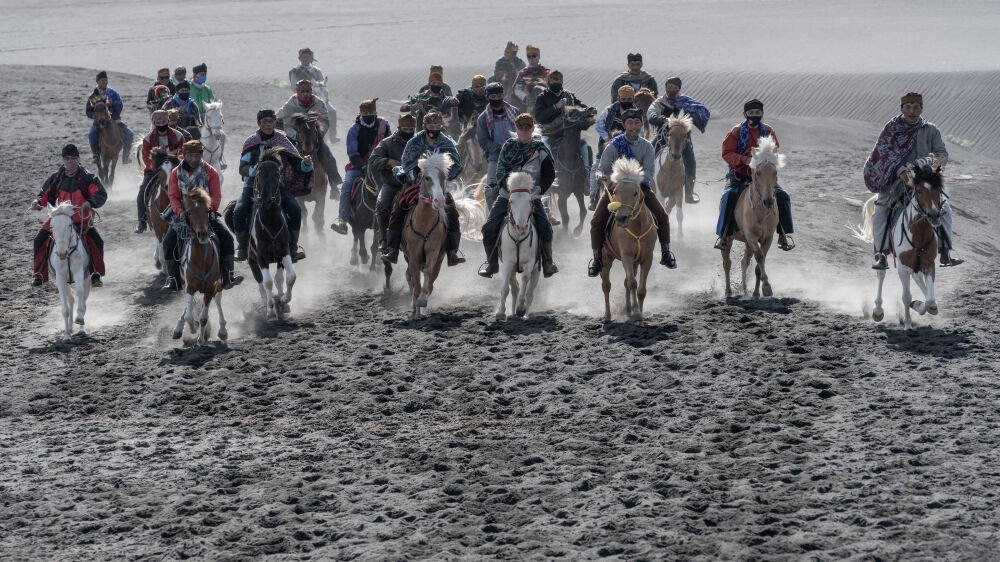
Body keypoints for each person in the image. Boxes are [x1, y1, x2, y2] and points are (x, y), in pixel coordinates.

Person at [864, 92, 960, 268]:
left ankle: (945, 253)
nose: (912, 111)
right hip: (897, 181)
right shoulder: (891, 129)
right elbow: (884, 155)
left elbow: (941, 153)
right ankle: (881, 254)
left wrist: (932, 167)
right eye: (908, 107)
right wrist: (900, 171)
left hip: (923, 180)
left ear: (922, 109)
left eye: (916, 107)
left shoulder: (930, 129)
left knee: (944, 209)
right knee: (880, 210)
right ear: (901, 109)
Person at [588, 109, 676, 276]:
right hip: (617, 189)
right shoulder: (614, 145)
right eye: (630, 123)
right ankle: (597, 258)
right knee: (596, 220)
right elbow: (602, 168)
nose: (634, 126)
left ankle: (666, 252)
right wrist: (600, 175)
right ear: (624, 125)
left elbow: (649, 173)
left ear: (642, 124)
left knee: (662, 216)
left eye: (637, 123)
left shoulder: (647, 146)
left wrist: (631, 180)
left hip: (640, 188)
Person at [478, 113, 558, 278]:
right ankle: (491, 263)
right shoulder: (508, 146)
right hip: (508, 195)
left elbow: (549, 175)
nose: (524, 130)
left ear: (532, 128)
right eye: (520, 127)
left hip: (532, 197)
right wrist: (509, 187)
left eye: (527, 127)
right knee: (489, 227)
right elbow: (500, 171)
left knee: (545, 227)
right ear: (516, 128)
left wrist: (539, 189)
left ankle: (548, 261)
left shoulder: (541, 149)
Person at [381, 111, 465, 266]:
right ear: (423, 126)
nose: (433, 129)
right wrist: (417, 178)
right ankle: (392, 248)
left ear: (441, 127)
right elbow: (406, 163)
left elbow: (457, 164)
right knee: (399, 207)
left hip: (438, 183)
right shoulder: (414, 141)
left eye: (437, 126)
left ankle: (453, 252)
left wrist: (444, 176)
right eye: (430, 126)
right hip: (415, 180)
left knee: (452, 211)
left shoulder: (446, 142)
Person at [161, 140, 242, 290]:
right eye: (190, 156)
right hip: (184, 214)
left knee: (227, 238)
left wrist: (209, 211)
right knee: (168, 243)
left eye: (197, 155)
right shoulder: (175, 173)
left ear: (201, 155)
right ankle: (173, 279)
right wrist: (180, 212)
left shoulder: (211, 171)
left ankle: (228, 275)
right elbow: (173, 196)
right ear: (184, 155)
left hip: (206, 214)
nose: (193, 159)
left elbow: (216, 194)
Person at [234, 110, 313, 262]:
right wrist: (255, 170)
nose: (268, 124)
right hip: (252, 187)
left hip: (277, 187)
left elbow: (298, 165)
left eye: (271, 121)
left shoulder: (283, 141)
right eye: (265, 121)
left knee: (296, 210)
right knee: (238, 212)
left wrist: (306, 164)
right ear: (259, 123)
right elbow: (242, 168)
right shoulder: (252, 142)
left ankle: (293, 247)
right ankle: (242, 247)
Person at [715, 99, 794, 251]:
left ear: (762, 114)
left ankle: (783, 234)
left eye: (757, 113)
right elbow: (726, 153)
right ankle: (723, 235)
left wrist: (766, 162)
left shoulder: (769, 131)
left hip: (763, 176)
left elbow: (775, 151)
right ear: (745, 114)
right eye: (751, 113)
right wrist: (744, 159)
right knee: (728, 196)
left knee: (783, 197)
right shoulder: (736, 132)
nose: (754, 115)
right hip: (739, 174)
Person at [31, 144, 107, 287]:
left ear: (78, 159)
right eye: (67, 158)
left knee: (97, 241)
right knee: (39, 239)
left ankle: (96, 273)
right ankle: (40, 273)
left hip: (82, 218)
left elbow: (101, 194)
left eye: (73, 158)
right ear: (62, 160)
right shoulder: (55, 178)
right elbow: (44, 196)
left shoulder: (89, 178)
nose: (70, 161)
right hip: (59, 218)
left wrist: (90, 203)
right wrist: (37, 202)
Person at [646, 76, 711, 204]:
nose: (671, 90)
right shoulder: (659, 102)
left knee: (691, 163)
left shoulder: (686, 103)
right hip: (662, 137)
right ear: (665, 88)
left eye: (674, 88)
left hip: (682, 140)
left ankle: (689, 193)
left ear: (679, 89)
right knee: (648, 155)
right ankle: (643, 185)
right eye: (669, 87)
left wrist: (691, 117)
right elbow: (651, 114)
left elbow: (699, 116)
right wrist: (661, 119)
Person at [331, 98, 391, 234]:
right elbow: (352, 152)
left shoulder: (384, 125)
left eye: (371, 113)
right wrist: (363, 167)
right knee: (346, 186)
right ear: (361, 114)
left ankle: (394, 223)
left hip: (381, 165)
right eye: (366, 114)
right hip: (359, 166)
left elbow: (390, 144)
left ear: (376, 112)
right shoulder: (354, 129)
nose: (369, 116)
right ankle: (342, 221)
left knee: (397, 183)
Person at [276, 79, 342, 188]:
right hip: (295, 135)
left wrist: (319, 133)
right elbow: (287, 125)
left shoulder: (319, 103)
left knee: (328, 155)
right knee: (282, 156)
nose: (305, 94)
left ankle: (334, 184)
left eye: (307, 91)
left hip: (314, 135)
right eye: (302, 91)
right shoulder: (290, 103)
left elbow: (325, 121)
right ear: (297, 92)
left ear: (311, 91)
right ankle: (280, 184)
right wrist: (297, 136)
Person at [371, 114, 417, 254]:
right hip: (392, 183)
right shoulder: (386, 143)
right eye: (405, 128)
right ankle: (383, 238)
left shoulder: (420, 142)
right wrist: (387, 162)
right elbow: (373, 160)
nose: (408, 131)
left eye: (411, 128)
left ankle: (448, 245)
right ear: (399, 127)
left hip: (415, 184)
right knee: (382, 206)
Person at [135, 110, 185, 233]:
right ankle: (142, 220)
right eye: (158, 122)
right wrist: (157, 167)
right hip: (155, 170)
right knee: (142, 190)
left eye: (163, 121)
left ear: (168, 121)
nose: (161, 124)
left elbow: (183, 153)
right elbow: (146, 158)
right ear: (154, 123)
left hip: (175, 168)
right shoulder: (147, 139)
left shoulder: (178, 136)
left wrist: (176, 163)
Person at [476, 82, 519, 204]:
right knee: (490, 190)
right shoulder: (483, 118)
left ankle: (545, 212)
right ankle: (491, 221)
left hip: (517, 156)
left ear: (503, 95)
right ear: (487, 98)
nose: (496, 99)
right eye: (493, 97)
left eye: (499, 96)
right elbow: (483, 141)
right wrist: (499, 147)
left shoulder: (515, 112)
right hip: (496, 158)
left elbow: (524, 130)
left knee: (533, 183)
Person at [288, 47, 338, 142]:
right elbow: (294, 87)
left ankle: (332, 135)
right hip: (301, 97)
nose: (306, 58)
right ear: (300, 58)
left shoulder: (316, 70)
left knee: (332, 111)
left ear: (311, 57)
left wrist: (321, 91)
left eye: (308, 56)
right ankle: (292, 137)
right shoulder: (294, 71)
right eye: (304, 56)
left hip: (318, 96)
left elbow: (322, 83)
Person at [85, 70, 134, 164]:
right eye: (102, 80)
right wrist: (95, 116)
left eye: (105, 80)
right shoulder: (93, 96)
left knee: (130, 133)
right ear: (97, 81)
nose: (104, 82)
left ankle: (126, 156)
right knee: (92, 134)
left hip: (114, 120)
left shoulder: (113, 93)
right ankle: (95, 155)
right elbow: (88, 111)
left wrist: (113, 105)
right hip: (99, 121)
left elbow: (120, 105)